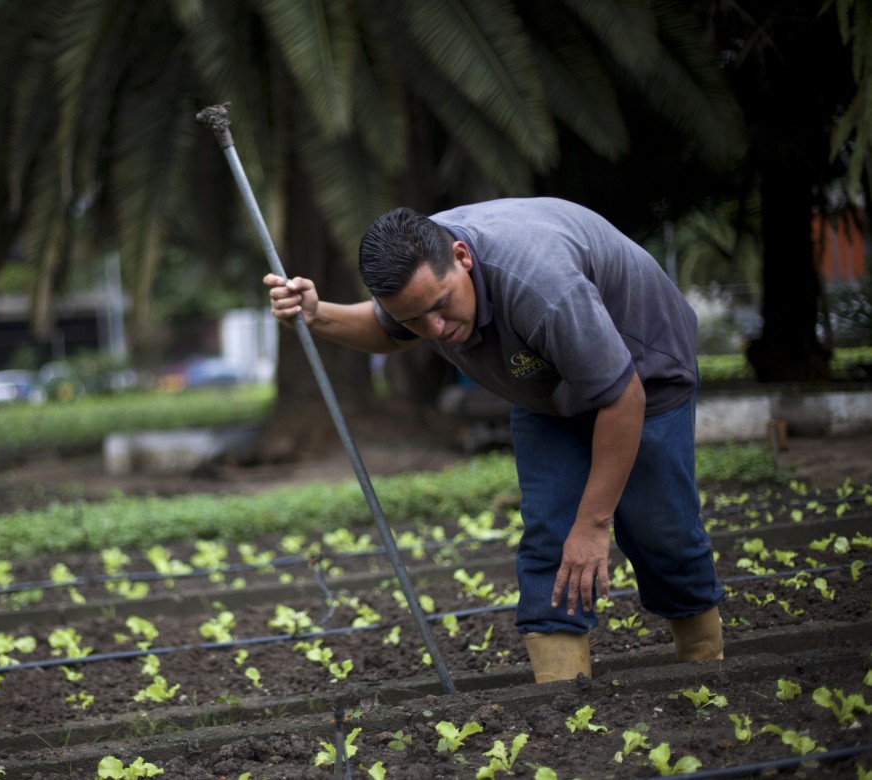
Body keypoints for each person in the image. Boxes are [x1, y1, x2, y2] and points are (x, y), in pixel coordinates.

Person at [264, 197, 724, 683]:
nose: (435, 330)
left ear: (462, 257)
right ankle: (561, 696)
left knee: (659, 527)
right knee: (549, 534)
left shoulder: (541, 285)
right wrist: (315, 315)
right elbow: (386, 333)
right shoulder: (417, 273)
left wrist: (592, 526)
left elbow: (622, 398)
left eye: (441, 306)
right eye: (415, 320)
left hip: (643, 375)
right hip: (545, 390)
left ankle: (704, 671)